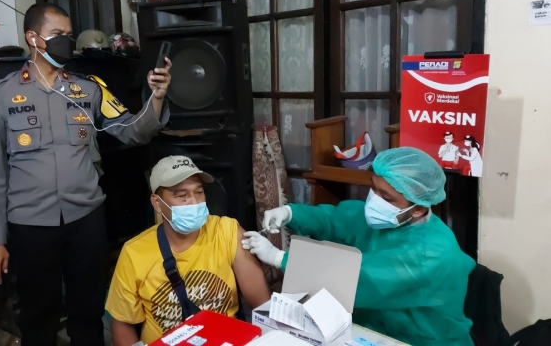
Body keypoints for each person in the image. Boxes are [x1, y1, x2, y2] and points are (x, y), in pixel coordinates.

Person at [0, 3, 172, 346]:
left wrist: (156, 97)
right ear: (33, 38)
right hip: (30, 225)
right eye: (58, 35)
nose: (66, 42)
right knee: (37, 316)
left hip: (86, 219)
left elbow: (132, 131)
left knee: (88, 310)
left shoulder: (89, 89)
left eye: (69, 35)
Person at [242, 147, 475, 346]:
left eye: (387, 197)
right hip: (370, 329)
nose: (375, 200)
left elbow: (356, 279)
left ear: (419, 209)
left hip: (419, 339)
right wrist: (291, 213)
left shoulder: (431, 253)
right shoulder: (389, 220)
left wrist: (280, 258)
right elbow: (336, 219)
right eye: (374, 188)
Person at [106, 155, 271, 345]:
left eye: (199, 192)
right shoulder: (134, 252)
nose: (193, 201)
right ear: (157, 203)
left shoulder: (227, 232)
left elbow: (262, 304)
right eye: (181, 195)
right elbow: (122, 322)